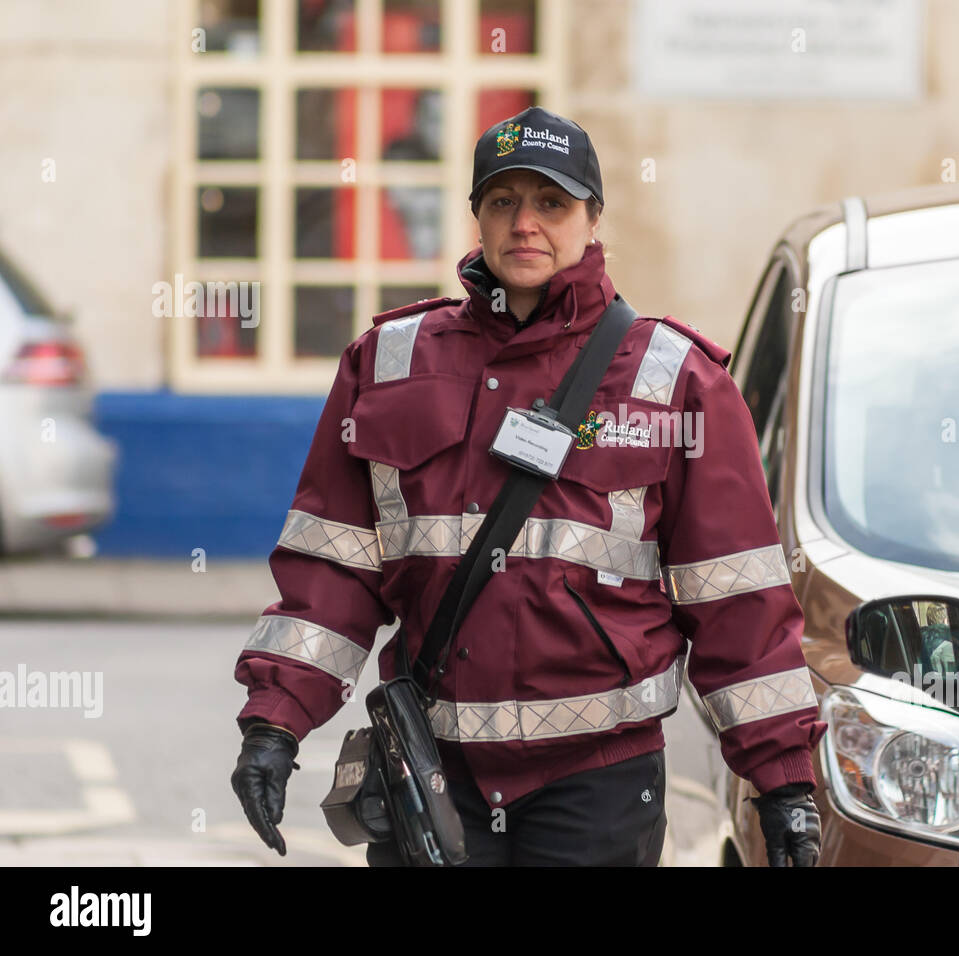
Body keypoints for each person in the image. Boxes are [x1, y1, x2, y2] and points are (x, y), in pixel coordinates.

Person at [230, 106, 826, 867]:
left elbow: (735, 599)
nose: (525, 224)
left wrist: (783, 785)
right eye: (503, 200)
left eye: (552, 202)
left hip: (599, 788)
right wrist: (274, 725)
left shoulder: (676, 380)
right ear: (476, 215)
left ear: (592, 218)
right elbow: (331, 572)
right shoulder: (385, 363)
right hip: (435, 780)